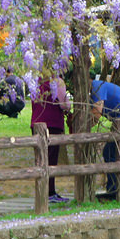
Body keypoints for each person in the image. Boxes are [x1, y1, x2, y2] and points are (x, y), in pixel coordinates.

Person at [31, 75, 71, 203]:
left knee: (40, 160)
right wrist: (69, 104)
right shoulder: (57, 81)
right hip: (52, 124)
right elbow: (64, 105)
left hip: (36, 123)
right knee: (50, 160)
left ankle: (42, 192)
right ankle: (49, 193)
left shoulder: (35, 81)